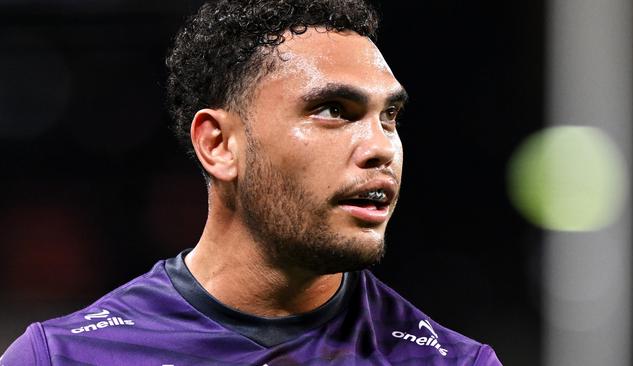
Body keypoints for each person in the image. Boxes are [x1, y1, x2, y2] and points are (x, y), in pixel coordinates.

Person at [1, 0, 502, 365]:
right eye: (333, 111)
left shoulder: (452, 361)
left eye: (389, 116)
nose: (381, 147)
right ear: (218, 144)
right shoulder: (65, 356)